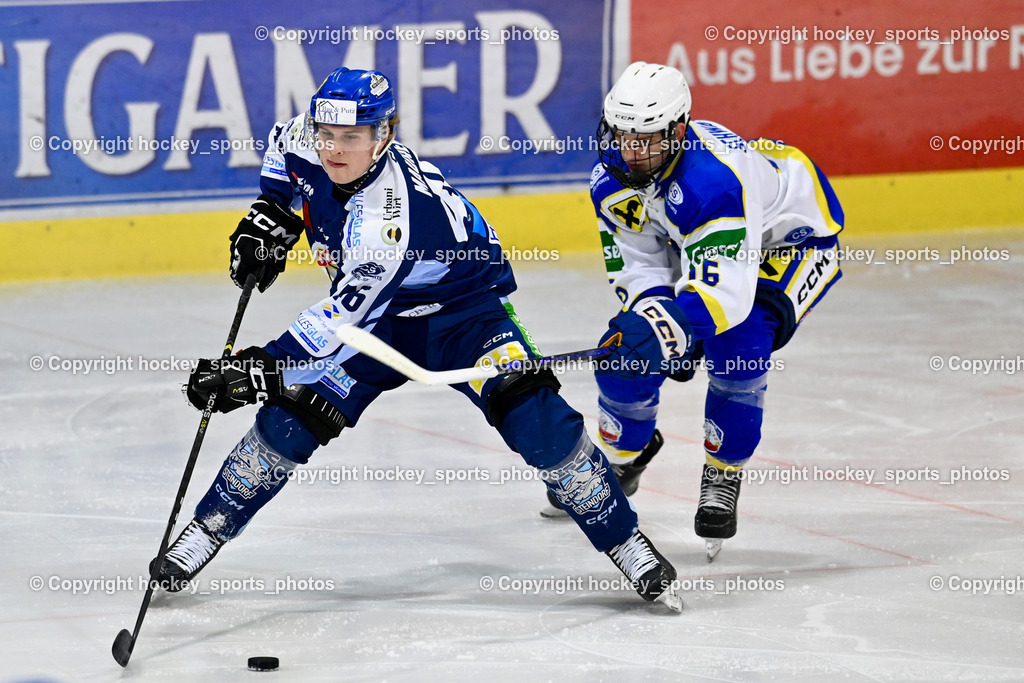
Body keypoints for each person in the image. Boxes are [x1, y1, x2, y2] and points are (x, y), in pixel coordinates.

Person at [152, 67, 681, 609]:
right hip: (379, 315)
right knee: (293, 416)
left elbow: (337, 325)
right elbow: (282, 166)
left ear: (384, 137)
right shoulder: (302, 137)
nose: (334, 149)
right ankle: (205, 532)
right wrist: (271, 216)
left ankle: (626, 543)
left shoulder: (390, 221)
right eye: (327, 134)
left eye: (352, 138)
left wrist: (257, 368)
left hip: (464, 315)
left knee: (537, 419)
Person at [542, 62, 844, 562]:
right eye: (621, 135)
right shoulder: (610, 178)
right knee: (625, 356)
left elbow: (728, 296)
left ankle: (723, 473)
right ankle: (621, 459)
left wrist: (673, 328)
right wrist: (655, 324)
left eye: (647, 138)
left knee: (739, 345)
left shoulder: (715, 181)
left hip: (792, 245)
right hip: (705, 245)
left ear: (678, 130)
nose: (631, 151)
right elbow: (638, 264)